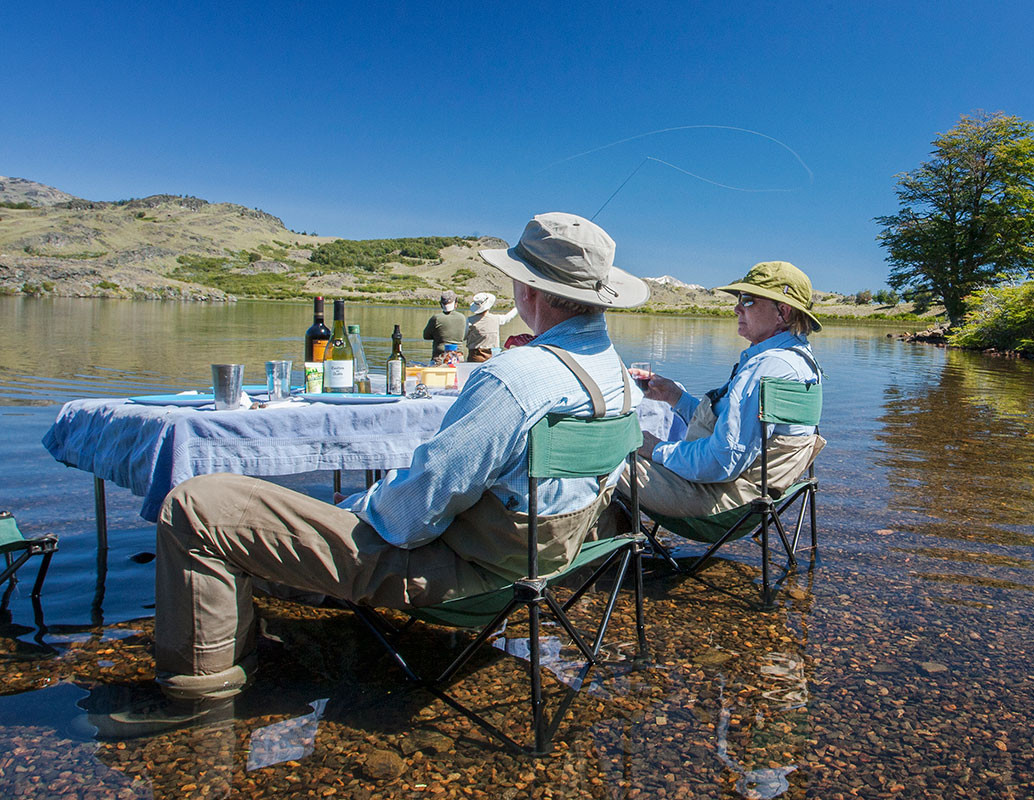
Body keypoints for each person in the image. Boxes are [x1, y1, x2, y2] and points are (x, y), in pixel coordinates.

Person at [88, 212, 649, 738]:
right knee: (304, 513)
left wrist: (355, 511)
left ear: (526, 291)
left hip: (461, 577)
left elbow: (413, 514)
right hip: (537, 567)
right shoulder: (619, 379)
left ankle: (197, 698)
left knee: (197, 506)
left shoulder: (516, 377)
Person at [623, 261, 825, 521]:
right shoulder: (798, 359)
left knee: (607, 457)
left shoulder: (768, 367)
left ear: (782, 313)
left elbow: (722, 460)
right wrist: (675, 397)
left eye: (748, 300)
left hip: (723, 502)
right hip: (751, 495)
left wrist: (657, 448)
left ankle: (607, 556)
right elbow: (735, 432)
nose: (736, 308)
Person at [465, 292, 520, 361]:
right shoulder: (496, 319)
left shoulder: (469, 321)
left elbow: (464, 336)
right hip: (494, 355)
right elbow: (508, 317)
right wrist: (518, 306)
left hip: (475, 355)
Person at [422, 290, 467, 359]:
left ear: (441, 304)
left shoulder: (436, 318)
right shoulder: (462, 317)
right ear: (456, 303)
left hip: (440, 356)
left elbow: (426, 336)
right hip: (458, 355)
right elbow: (464, 336)